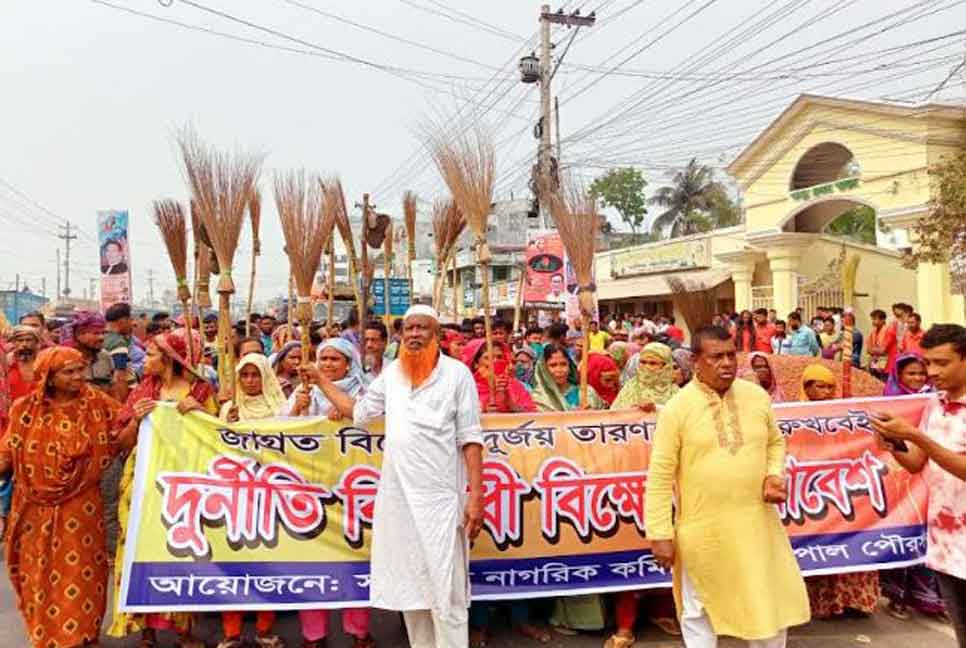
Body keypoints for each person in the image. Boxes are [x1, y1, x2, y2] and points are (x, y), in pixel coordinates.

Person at [329, 305, 484, 648]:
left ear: (437, 335)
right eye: (408, 328)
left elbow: (471, 439)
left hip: (441, 502)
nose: (414, 334)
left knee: (447, 593)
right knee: (411, 591)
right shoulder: (392, 375)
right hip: (398, 501)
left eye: (422, 328)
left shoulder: (458, 375)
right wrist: (321, 380)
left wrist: (476, 497)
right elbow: (358, 413)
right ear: (399, 336)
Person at [646, 326, 810, 648]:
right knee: (699, 609)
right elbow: (660, 475)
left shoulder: (756, 396)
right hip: (702, 528)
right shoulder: (677, 408)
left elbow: (776, 442)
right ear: (696, 361)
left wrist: (774, 474)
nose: (726, 364)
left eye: (730, 355)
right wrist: (660, 532)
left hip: (755, 524)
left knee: (766, 600)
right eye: (716, 357)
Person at [0, 347, 135, 648]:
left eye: (80, 370)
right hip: (32, 505)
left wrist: (141, 419)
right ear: (48, 377)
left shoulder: (98, 404)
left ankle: (82, 635)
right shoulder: (24, 409)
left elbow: (124, 429)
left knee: (82, 570)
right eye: (69, 372)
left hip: (81, 506)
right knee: (37, 571)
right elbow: (7, 451)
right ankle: (44, 632)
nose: (79, 377)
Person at [108, 328, 217, 648]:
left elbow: (218, 437)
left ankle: (184, 629)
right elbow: (121, 444)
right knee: (137, 551)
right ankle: (146, 631)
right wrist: (134, 421)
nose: (145, 359)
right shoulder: (142, 391)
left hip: (184, 483)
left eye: (153, 354)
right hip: (142, 481)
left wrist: (200, 412)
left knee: (182, 552)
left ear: (170, 359)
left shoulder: (200, 389)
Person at [871, 324, 966, 647]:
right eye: (928, 363)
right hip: (946, 546)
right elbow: (916, 462)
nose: (931, 372)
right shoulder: (934, 405)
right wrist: (894, 442)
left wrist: (916, 436)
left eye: (942, 363)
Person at [282, 338, 375, 647]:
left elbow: (372, 425)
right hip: (311, 488)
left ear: (349, 363)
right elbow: (280, 435)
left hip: (353, 491)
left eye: (336, 359)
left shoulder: (364, 392)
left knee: (355, 561)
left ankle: (359, 631)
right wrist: (298, 410)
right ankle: (314, 634)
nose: (328, 365)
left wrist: (346, 412)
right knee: (311, 561)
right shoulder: (303, 392)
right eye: (323, 360)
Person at [605, 342, 682, 647]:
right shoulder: (627, 393)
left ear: (667, 367)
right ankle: (625, 623)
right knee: (631, 550)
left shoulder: (679, 398)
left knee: (671, 551)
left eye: (657, 364)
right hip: (631, 486)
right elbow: (608, 431)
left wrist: (659, 412)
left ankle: (663, 611)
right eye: (645, 363)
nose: (650, 369)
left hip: (670, 484)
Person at [215, 353, 287, 648]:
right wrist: (227, 426)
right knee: (231, 563)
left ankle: (265, 630)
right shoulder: (229, 408)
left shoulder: (283, 408)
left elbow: (292, 445)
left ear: (266, 376)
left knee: (266, 563)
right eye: (243, 376)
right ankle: (231, 633)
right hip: (236, 496)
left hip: (272, 495)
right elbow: (215, 447)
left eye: (255, 375)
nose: (249, 381)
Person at [799, 364, 881, 619]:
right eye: (819, 386)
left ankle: (854, 601)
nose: (825, 392)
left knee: (853, 543)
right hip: (814, 494)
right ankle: (824, 604)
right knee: (820, 547)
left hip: (845, 487)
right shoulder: (794, 417)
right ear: (806, 387)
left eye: (830, 387)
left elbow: (854, 447)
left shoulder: (842, 415)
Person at [877, 353, 946, 621]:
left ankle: (932, 601)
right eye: (911, 374)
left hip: (931, 478)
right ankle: (897, 597)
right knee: (901, 535)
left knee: (927, 537)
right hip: (895, 478)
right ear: (899, 375)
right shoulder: (888, 403)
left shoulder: (937, 403)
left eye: (921, 373)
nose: (918, 378)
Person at [63, 310, 130, 401]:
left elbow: (114, 392)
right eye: (96, 333)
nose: (101, 338)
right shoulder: (63, 359)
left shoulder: (105, 357)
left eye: (103, 333)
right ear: (79, 334)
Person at [461, 338, 535, 414]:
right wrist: (483, 410)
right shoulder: (467, 387)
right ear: (475, 363)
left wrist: (510, 403)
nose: (495, 361)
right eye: (488, 358)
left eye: (499, 357)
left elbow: (532, 416)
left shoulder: (514, 385)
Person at [532, 344, 606, 413]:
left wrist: (591, 414)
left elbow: (604, 417)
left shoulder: (587, 392)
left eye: (563, 364)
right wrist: (573, 416)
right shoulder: (538, 397)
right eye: (553, 365)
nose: (559, 369)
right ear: (544, 369)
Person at [612, 342, 679, 411]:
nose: (646, 367)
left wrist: (655, 408)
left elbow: (680, 415)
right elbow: (614, 415)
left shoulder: (675, 392)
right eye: (643, 362)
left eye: (653, 363)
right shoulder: (630, 387)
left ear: (665, 366)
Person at [5, 325, 41, 403]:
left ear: (36, 342)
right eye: (20, 340)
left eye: (28, 340)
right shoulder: (6, 363)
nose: (24, 344)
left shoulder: (44, 362)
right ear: (14, 343)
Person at [868, 309, 897, 381]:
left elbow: (883, 351)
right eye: (872, 319)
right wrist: (875, 350)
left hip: (887, 365)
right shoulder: (873, 332)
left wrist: (873, 350)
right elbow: (868, 349)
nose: (873, 321)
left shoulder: (889, 331)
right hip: (875, 364)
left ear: (883, 320)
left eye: (875, 319)